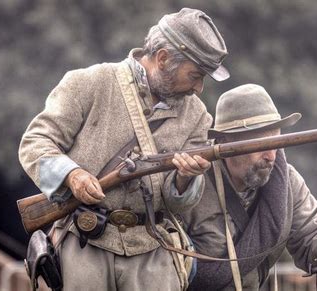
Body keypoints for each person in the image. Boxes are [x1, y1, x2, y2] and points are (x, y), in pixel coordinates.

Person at [19, 8, 229, 291]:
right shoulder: (88, 83)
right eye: (195, 75)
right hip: (85, 240)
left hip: (153, 249)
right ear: (164, 58)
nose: (199, 88)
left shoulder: (198, 116)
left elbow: (179, 203)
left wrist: (185, 179)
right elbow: (36, 142)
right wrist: (73, 175)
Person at [181, 84, 317, 290]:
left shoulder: (287, 181)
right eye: (260, 146)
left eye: (276, 143)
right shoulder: (191, 183)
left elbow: (311, 246)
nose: (271, 157)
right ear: (224, 144)